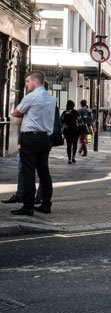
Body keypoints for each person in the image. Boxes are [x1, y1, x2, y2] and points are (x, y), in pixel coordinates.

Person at [9, 70, 55, 216]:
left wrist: (23, 114)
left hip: (30, 139)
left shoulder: (31, 96)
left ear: (36, 81)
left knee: (28, 173)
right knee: (44, 173)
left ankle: (28, 206)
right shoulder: (51, 98)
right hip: (45, 139)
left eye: (28, 81)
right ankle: (46, 204)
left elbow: (15, 113)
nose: (27, 84)